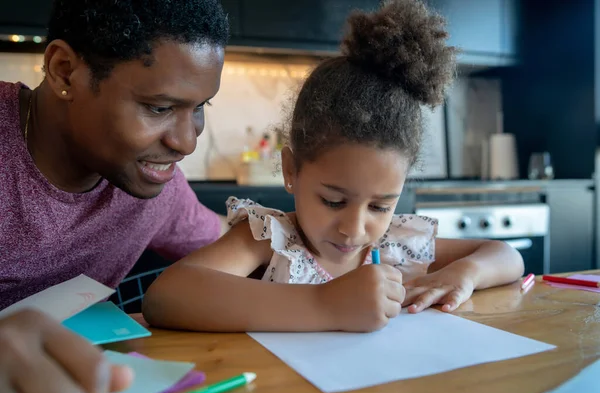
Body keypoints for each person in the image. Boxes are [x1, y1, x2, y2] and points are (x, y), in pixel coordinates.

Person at [143, 0, 525, 334]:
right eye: (333, 200)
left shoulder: (397, 243)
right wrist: (326, 305)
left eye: (379, 206)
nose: (355, 229)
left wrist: (463, 274)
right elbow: (165, 298)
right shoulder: (270, 238)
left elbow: (506, 255)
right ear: (291, 169)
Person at [0, 0, 229, 393]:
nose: (187, 142)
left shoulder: (155, 185)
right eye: (159, 107)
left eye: (199, 108)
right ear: (64, 71)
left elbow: (229, 246)